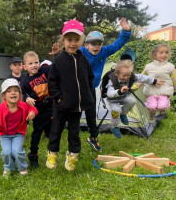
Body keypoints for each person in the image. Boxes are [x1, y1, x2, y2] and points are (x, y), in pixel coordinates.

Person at [50, 18, 131, 152]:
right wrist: (57, 54)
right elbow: (66, 56)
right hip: (74, 91)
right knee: (71, 115)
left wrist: (126, 32)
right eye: (93, 44)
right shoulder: (80, 51)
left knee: (91, 115)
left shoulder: (104, 51)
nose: (96, 47)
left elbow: (117, 45)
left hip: (89, 90)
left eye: (99, 44)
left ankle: (94, 137)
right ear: (86, 45)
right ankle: (58, 137)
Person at [47, 19, 94, 171]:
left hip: (77, 106)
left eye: (76, 39)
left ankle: (73, 154)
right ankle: (52, 153)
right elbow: (52, 82)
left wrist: (87, 94)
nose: (73, 43)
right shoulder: (59, 60)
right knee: (56, 130)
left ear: (82, 41)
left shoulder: (83, 59)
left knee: (75, 132)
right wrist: (59, 98)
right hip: (61, 106)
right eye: (69, 40)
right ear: (63, 41)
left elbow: (89, 78)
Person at [0, 78, 38, 176]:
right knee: (7, 152)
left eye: (16, 91)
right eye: (9, 91)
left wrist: (33, 111)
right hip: (4, 135)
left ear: (20, 95)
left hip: (18, 134)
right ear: (3, 96)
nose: (13, 93)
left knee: (17, 151)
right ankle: (8, 167)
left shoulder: (23, 106)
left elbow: (33, 108)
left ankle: (22, 167)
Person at [105, 60, 164, 138]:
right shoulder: (112, 81)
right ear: (116, 74)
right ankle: (115, 127)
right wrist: (119, 91)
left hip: (124, 97)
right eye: (123, 76)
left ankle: (123, 114)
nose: (126, 78)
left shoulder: (132, 77)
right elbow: (110, 94)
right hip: (113, 100)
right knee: (116, 110)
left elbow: (142, 77)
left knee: (131, 100)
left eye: (128, 75)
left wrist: (154, 81)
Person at [20, 51, 52, 168]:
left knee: (53, 131)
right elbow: (21, 94)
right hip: (38, 110)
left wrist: (56, 54)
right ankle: (33, 154)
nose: (34, 65)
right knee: (37, 133)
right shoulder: (24, 81)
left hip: (50, 106)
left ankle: (52, 153)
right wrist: (27, 98)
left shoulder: (44, 71)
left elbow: (58, 65)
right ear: (25, 67)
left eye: (36, 62)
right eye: (30, 63)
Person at [142, 44, 176, 123]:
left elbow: (175, 79)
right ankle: (152, 115)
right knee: (152, 107)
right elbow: (141, 77)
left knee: (162, 106)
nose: (164, 54)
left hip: (164, 91)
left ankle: (163, 111)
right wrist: (136, 86)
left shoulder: (171, 67)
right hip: (151, 91)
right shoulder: (148, 67)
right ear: (155, 55)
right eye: (161, 52)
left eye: (166, 52)